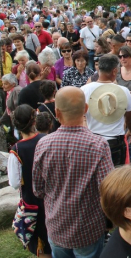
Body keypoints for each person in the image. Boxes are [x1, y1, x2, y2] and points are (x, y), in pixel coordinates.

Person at [33, 86, 113, 257]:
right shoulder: (98, 145)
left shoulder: (43, 144)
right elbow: (107, 190)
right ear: (85, 109)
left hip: (57, 227)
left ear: (57, 112)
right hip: (88, 228)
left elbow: (38, 189)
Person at [8, 105, 51, 257]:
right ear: (34, 121)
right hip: (53, 195)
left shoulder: (17, 150)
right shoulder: (47, 139)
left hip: (32, 202)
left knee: (42, 244)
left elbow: (14, 183)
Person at [81, 54, 131, 166]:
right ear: (115, 71)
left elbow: (79, 116)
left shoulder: (84, 90)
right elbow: (130, 117)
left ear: (98, 68)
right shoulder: (124, 91)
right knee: (116, 179)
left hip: (93, 140)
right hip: (115, 141)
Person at [0, 73, 22, 148]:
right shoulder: (10, 92)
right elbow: (8, 109)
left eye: (5, 84)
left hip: (18, 121)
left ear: (13, 84)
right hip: (14, 121)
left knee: (18, 139)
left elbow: (17, 107)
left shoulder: (16, 91)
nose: (3, 86)